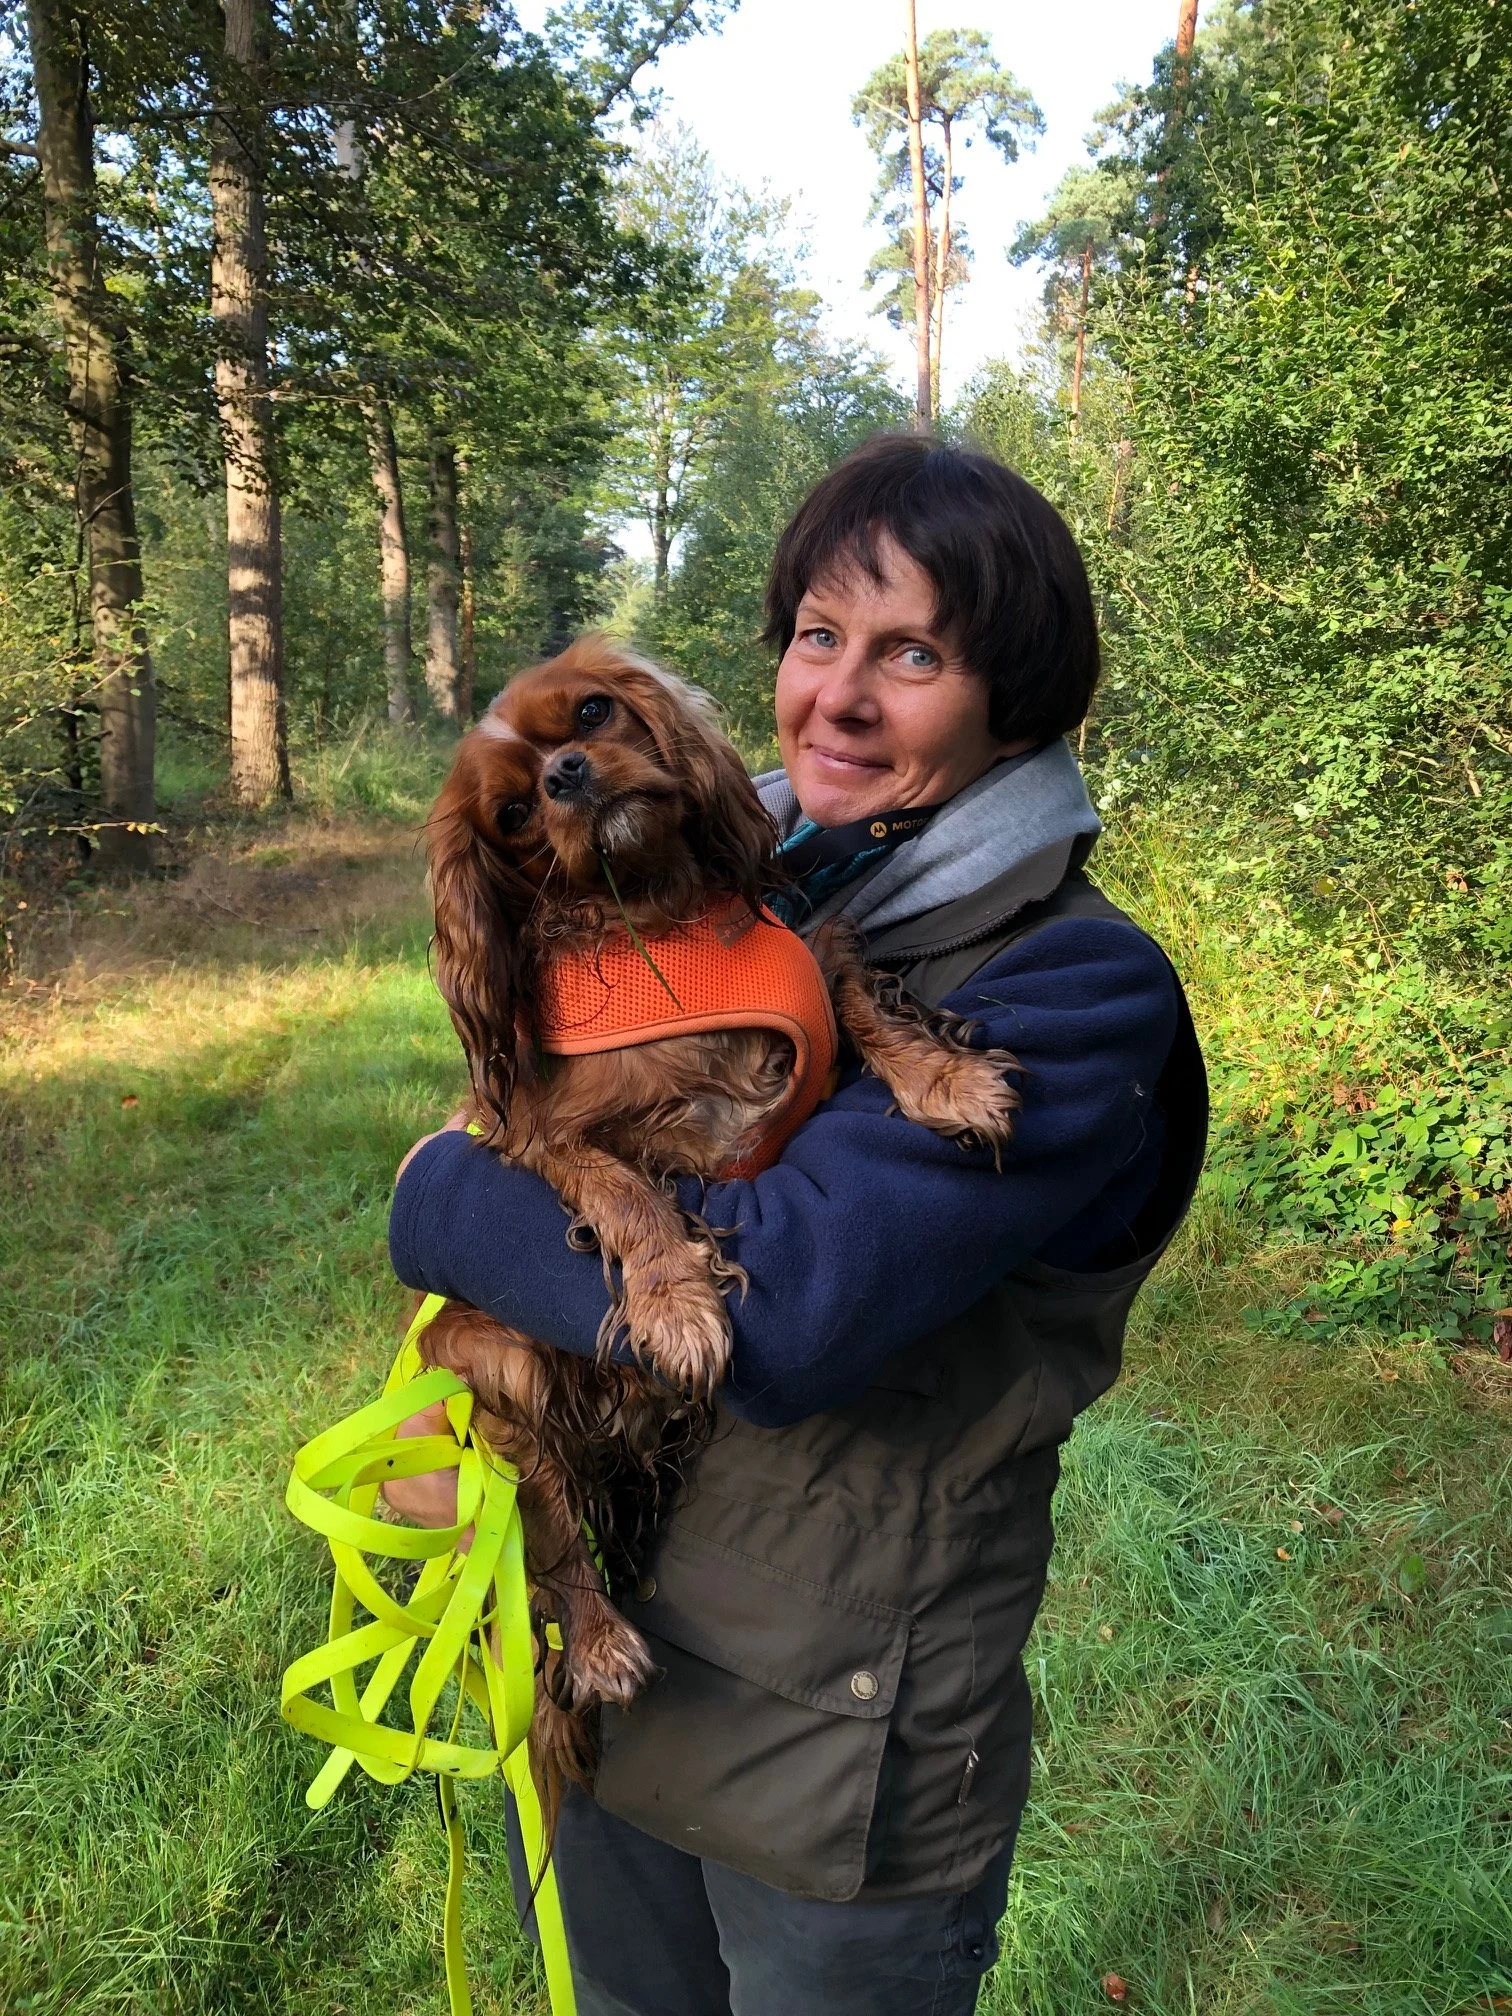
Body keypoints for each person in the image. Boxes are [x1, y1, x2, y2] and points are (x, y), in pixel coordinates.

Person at [387, 435, 1207, 2016]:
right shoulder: (717, 904)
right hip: (600, 1642)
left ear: (1014, 694)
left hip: (836, 1746)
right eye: (819, 639)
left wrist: (437, 1202)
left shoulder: (1077, 986)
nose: (839, 695)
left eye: (910, 653)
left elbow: (786, 1315)